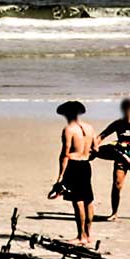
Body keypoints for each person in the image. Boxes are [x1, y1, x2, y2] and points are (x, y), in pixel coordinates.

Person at [50, 99, 97, 242]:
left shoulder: (69, 130)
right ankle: (88, 235)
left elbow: (65, 154)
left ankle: (80, 236)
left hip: (74, 165)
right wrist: (88, 156)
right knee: (88, 199)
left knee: (78, 201)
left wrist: (60, 176)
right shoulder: (89, 128)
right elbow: (95, 149)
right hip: (86, 165)